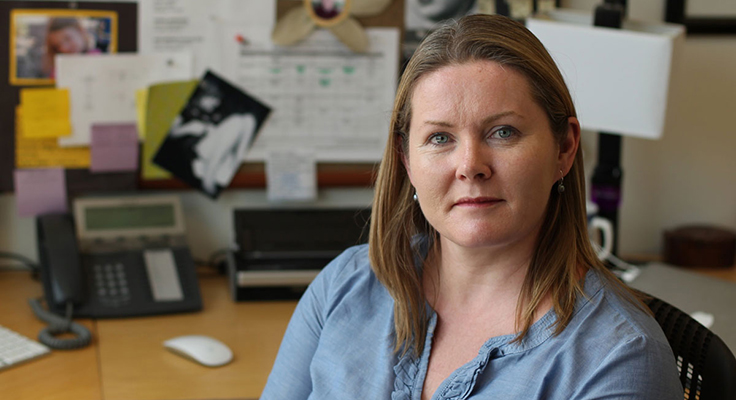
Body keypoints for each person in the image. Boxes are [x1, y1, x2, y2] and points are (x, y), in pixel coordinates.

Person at [261, 14, 683, 399]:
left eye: (503, 132)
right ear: (407, 159)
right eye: (440, 138)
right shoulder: (345, 286)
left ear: (565, 148)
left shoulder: (618, 358)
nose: (470, 167)